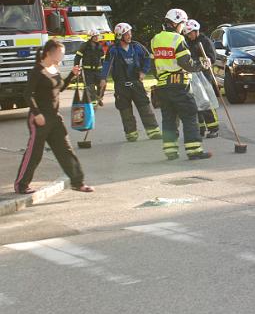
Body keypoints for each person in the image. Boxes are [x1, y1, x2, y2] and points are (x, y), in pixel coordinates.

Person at [14, 39, 94, 194]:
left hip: (54, 118)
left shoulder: (54, 69)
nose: (62, 57)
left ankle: (78, 182)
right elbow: (27, 94)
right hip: (39, 118)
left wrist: (72, 74)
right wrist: (37, 114)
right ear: (50, 53)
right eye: (60, 53)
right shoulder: (38, 70)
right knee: (34, 153)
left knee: (66, 150)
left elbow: (59, 88)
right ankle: (21, 185)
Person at [151, 9, 212, 160]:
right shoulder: (177, 39)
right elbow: (186, 63)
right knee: (190, 115)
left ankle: (170, 151)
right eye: (182, 24)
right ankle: (194, 150)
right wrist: (202, 65)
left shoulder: (155, 40)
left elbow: (153, 65)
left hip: (163, 86)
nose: (183, 27)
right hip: (179, 85)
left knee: (169, 118)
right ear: (175, 23)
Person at [100, 23, 162, 142]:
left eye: (130, 33)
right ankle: (131, 134)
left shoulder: (137, 46)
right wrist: (103, 78)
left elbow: (147, 58)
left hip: (136, 83)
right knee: (125, 110)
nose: (129, 36)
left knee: (145, 107)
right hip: (121, 85)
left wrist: (144, 72)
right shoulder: (113, 50)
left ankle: (153, 131)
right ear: (119, 36)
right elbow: (107, 64)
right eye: (126, 34)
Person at [184, 19, 219, 139]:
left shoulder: (205, 42)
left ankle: (213, 128)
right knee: (195, 102)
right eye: (187, 34)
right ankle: (201, 128)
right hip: (192, 75)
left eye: (190, 33)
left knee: (205, 101)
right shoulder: (187, 42)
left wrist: (200, 61)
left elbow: (212, 58)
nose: (189, 36)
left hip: (204, 75)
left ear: (196, 31)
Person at [73, 28, 105, 106]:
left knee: (101, 85)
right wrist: (76, 66)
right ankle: (93, 103)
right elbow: (78, 56)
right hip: (88, 71)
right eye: (94, 36)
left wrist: (104, 68)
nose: (97, 38)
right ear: (90, 37)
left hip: (98, 70)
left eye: (97, 36)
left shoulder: (99, 46)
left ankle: (99, 98)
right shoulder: (84, 46)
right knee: (90, 87)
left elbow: (103, 58)